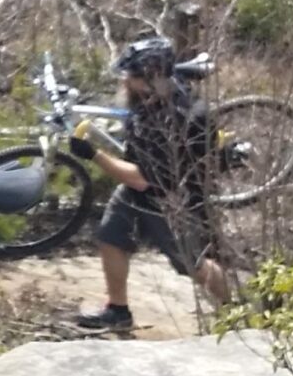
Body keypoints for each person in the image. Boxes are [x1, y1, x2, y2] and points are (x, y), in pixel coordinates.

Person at [74, 36, 232, 332]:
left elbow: (142, 178)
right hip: (136, 192)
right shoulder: (149, 96)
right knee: (111, 238)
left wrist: (93, 154)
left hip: (170, 202)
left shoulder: (179, 118)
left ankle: (239, 310)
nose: (125, 81)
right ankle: (118, 311)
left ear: (153, 77)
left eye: (131, 76)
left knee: (192, 264)